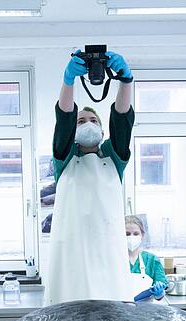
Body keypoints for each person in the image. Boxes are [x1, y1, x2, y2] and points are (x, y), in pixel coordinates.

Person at [45, 49, 135, 305]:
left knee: (111, 316)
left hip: (107, 255)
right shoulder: (65, 158)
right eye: (81, 121)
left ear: (101, 129)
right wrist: (68, 81)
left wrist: (125, 81)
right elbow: (63, 118)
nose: (87, 123)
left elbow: (121, 118)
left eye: (93, 120)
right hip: (70, 256)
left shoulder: (113, 157)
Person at [125, 215, 168, 301]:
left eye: (136, 234)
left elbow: (159, 296)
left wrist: (159, 293)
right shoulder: (115, 261)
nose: (131, 237)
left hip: (146, 311)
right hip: (120, 311)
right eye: (127, 234)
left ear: (142, 235)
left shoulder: (152, 260)